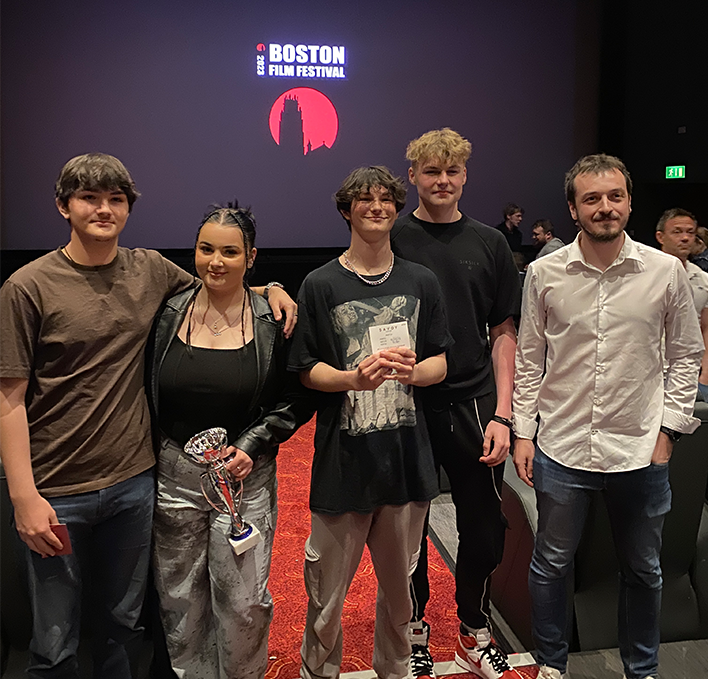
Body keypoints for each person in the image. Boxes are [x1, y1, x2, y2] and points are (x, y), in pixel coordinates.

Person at [0, 153, 296, 678]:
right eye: (89, 197)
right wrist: (23, 495)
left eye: (115, 199)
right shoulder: (27, 286)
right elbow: (9, 399)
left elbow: (220, 284)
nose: (103, 209)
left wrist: (269, 288)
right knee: (53, 639)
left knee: (125, 626)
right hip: (57, 489)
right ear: (62, 206)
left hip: (136, 485)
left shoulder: (150, 270)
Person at [513, 154, 703, 679]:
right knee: (551, 565)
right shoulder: (544, 273)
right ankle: (551, 667)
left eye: (614, 196)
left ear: (629, 202)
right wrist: (523, 432)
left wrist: (668, 430)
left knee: (644, 570)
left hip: (640, 448)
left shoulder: (665, 271)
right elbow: (529, 358)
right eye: (591, 199)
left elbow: (686, 354)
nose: (605, 208)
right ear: (574, 209)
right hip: (562, 446)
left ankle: (641, 670)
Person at [289, 166, 453, 679]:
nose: (377, 207)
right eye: (365, 200)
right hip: (343, 464)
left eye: (387, 199)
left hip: (407, 463)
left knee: (400, 602)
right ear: (347, 210)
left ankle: (396, 673)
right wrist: (351, 380)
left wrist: (414, 369)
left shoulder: (420, 280)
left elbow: (440, 363)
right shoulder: (320, 284)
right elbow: (307, 370)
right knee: (325, 602)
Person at [149, 203, 314, 678]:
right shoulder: (167, 312)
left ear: (251, 256)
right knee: (180, 603)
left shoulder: (272, 319)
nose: (215, 261)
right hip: (174, 480)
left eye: (229, 251)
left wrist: (254, 442)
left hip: (244, 484)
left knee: (243, 605)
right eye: (206, 249)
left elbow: (296, 398)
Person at [390, 128, 522, 679]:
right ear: (413, 176)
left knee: (485, 527)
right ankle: (413, 634)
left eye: (452, 172)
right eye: (430, 171)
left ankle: (474, 630)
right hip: (405, 405)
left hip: (474, 405)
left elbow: (504, 331)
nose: (441, 181)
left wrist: (503, 413)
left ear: (465, 176)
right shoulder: (390, 236)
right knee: (408, 532)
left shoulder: (490, 243)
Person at [655, 208, 708, 401]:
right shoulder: (644, 274)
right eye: (677, 232)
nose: (685, 238)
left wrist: (705, 372)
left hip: (690, 371)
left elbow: (706, 327)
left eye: (690, 232)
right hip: (653, 369)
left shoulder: (702, 279)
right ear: (660, 237)